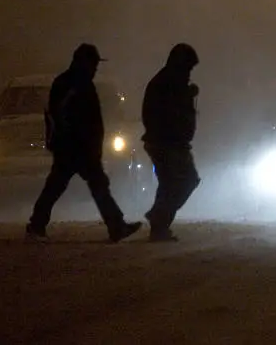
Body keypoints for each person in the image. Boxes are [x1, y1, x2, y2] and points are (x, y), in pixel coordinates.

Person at [26, 44, 142, 242]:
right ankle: (116, 226)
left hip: (75, 146)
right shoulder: (74, 84)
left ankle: (37, 225)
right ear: (84, 62)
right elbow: (62, 115)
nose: (96, 68)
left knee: (61, 186)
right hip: (76, 147)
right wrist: (81, 142)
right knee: (86, 185)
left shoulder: (74, 83)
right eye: (94, 63)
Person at [142, 43, 201, 242]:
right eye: (189, 67)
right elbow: (168, 113)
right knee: (180, 181)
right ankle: (159, 220)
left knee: (172, 183)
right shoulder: (168, 83)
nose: (190, 72)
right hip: (168, 143)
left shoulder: (168, 82)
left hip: (169, 142)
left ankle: (159, 220)